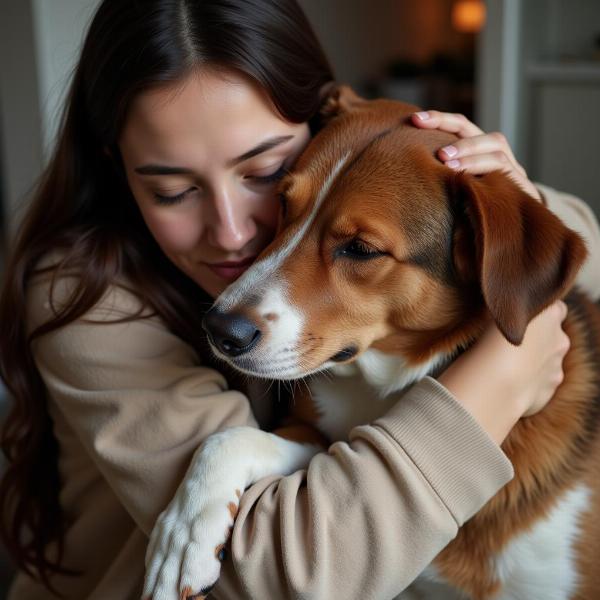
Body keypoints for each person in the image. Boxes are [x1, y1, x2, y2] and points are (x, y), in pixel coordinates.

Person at [0, 1, 599, 599]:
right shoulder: (82, 298)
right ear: (118, 171)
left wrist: (510, 196)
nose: (234, 235)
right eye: (173, 189)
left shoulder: (384, 193)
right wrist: (508, 374)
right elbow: (265, 576)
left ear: (315, 129)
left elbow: (574, 240)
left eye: (263, 174)